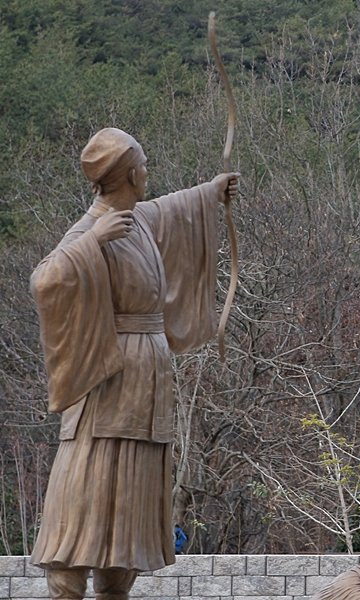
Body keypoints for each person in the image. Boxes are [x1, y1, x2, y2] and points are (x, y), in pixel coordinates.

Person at [29, 127, 238, 600]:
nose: (148, 172)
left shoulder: (136, 218)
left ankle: (115, 589)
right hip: (109, 381)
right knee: (81, 495)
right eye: (142, 164)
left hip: (148, 383)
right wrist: (91, 244)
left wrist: (211, 192)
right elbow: (45, 281)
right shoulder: (95, 227)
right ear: (128, 173)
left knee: (128, 522)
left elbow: (170, 211)